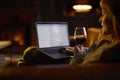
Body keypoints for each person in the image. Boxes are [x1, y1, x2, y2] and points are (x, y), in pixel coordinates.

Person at [17, 0, 120, 66]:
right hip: (76, 56)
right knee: (30, 53)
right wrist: (76, 50)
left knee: (29, 53)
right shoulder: (112, 39)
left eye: (104, 14)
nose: (100, 20)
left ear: (115, 19)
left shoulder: (110, 51)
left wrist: (76, 54)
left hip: (70, 63)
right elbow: (92, 52)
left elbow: (77, 68)